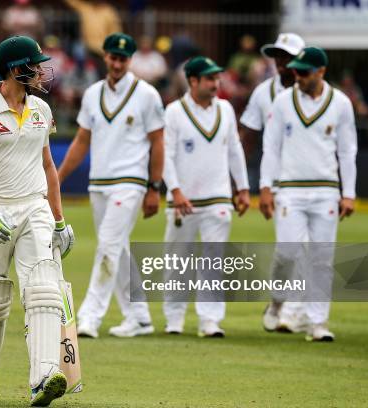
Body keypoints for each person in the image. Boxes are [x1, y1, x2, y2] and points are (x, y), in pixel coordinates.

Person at [0, 35, 74, 405]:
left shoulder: (40, 109)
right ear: (13, 69)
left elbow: (48, 166)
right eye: (33, 64)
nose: (40, 70)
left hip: (34, 207)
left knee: (44, 289)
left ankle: (45, 376)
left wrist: (58, 220)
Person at [58, 33, 164, 338]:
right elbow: (81, 140)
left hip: (130, 182)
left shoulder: (146, 94)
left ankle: (89, 316)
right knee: (117, 248)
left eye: (123, 59)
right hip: (99, 182)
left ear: (130, 60)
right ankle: (140, 317)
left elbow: (158, 143)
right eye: (112, 57)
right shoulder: (92, 93)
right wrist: (59, 177)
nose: (117, 63)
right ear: (105, 57)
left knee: (107, 244)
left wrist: (154, 187)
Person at [259, 47, 357, 342]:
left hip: (326, 190)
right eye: (296, 71)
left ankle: (318, 322)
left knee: (321, 258)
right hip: (290, 189)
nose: (297, 76)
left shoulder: (340, 103)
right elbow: (271, 147)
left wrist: (348, 193)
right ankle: (278, 300)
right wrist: (265, 186)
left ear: (321, 72)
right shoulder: (283, 101)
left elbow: (347, 150)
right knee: (287, 252)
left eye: (304, 72)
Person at [163, 56, 250, 337]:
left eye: (217, 78)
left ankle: (210, 320)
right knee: (178, 261)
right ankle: (174, 318)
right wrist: (175, 190)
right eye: (210, 78)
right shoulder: (175, 111)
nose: (216, 83)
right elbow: (166, 154)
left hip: (218, 197)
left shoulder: (225, 109)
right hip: (183, 199)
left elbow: (235, 150)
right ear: (193, 81)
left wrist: (244, 188)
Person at [239, 33, 307, 333]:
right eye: (278, 56)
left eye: (288, 57)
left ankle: (294, 312)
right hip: (277, 181)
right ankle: (279, 300)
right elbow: (249, 137)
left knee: (306, 247)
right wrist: (240, 182)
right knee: (288, 250)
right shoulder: (263, 93)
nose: (282, 62)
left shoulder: (318, 94)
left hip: (310, 181)